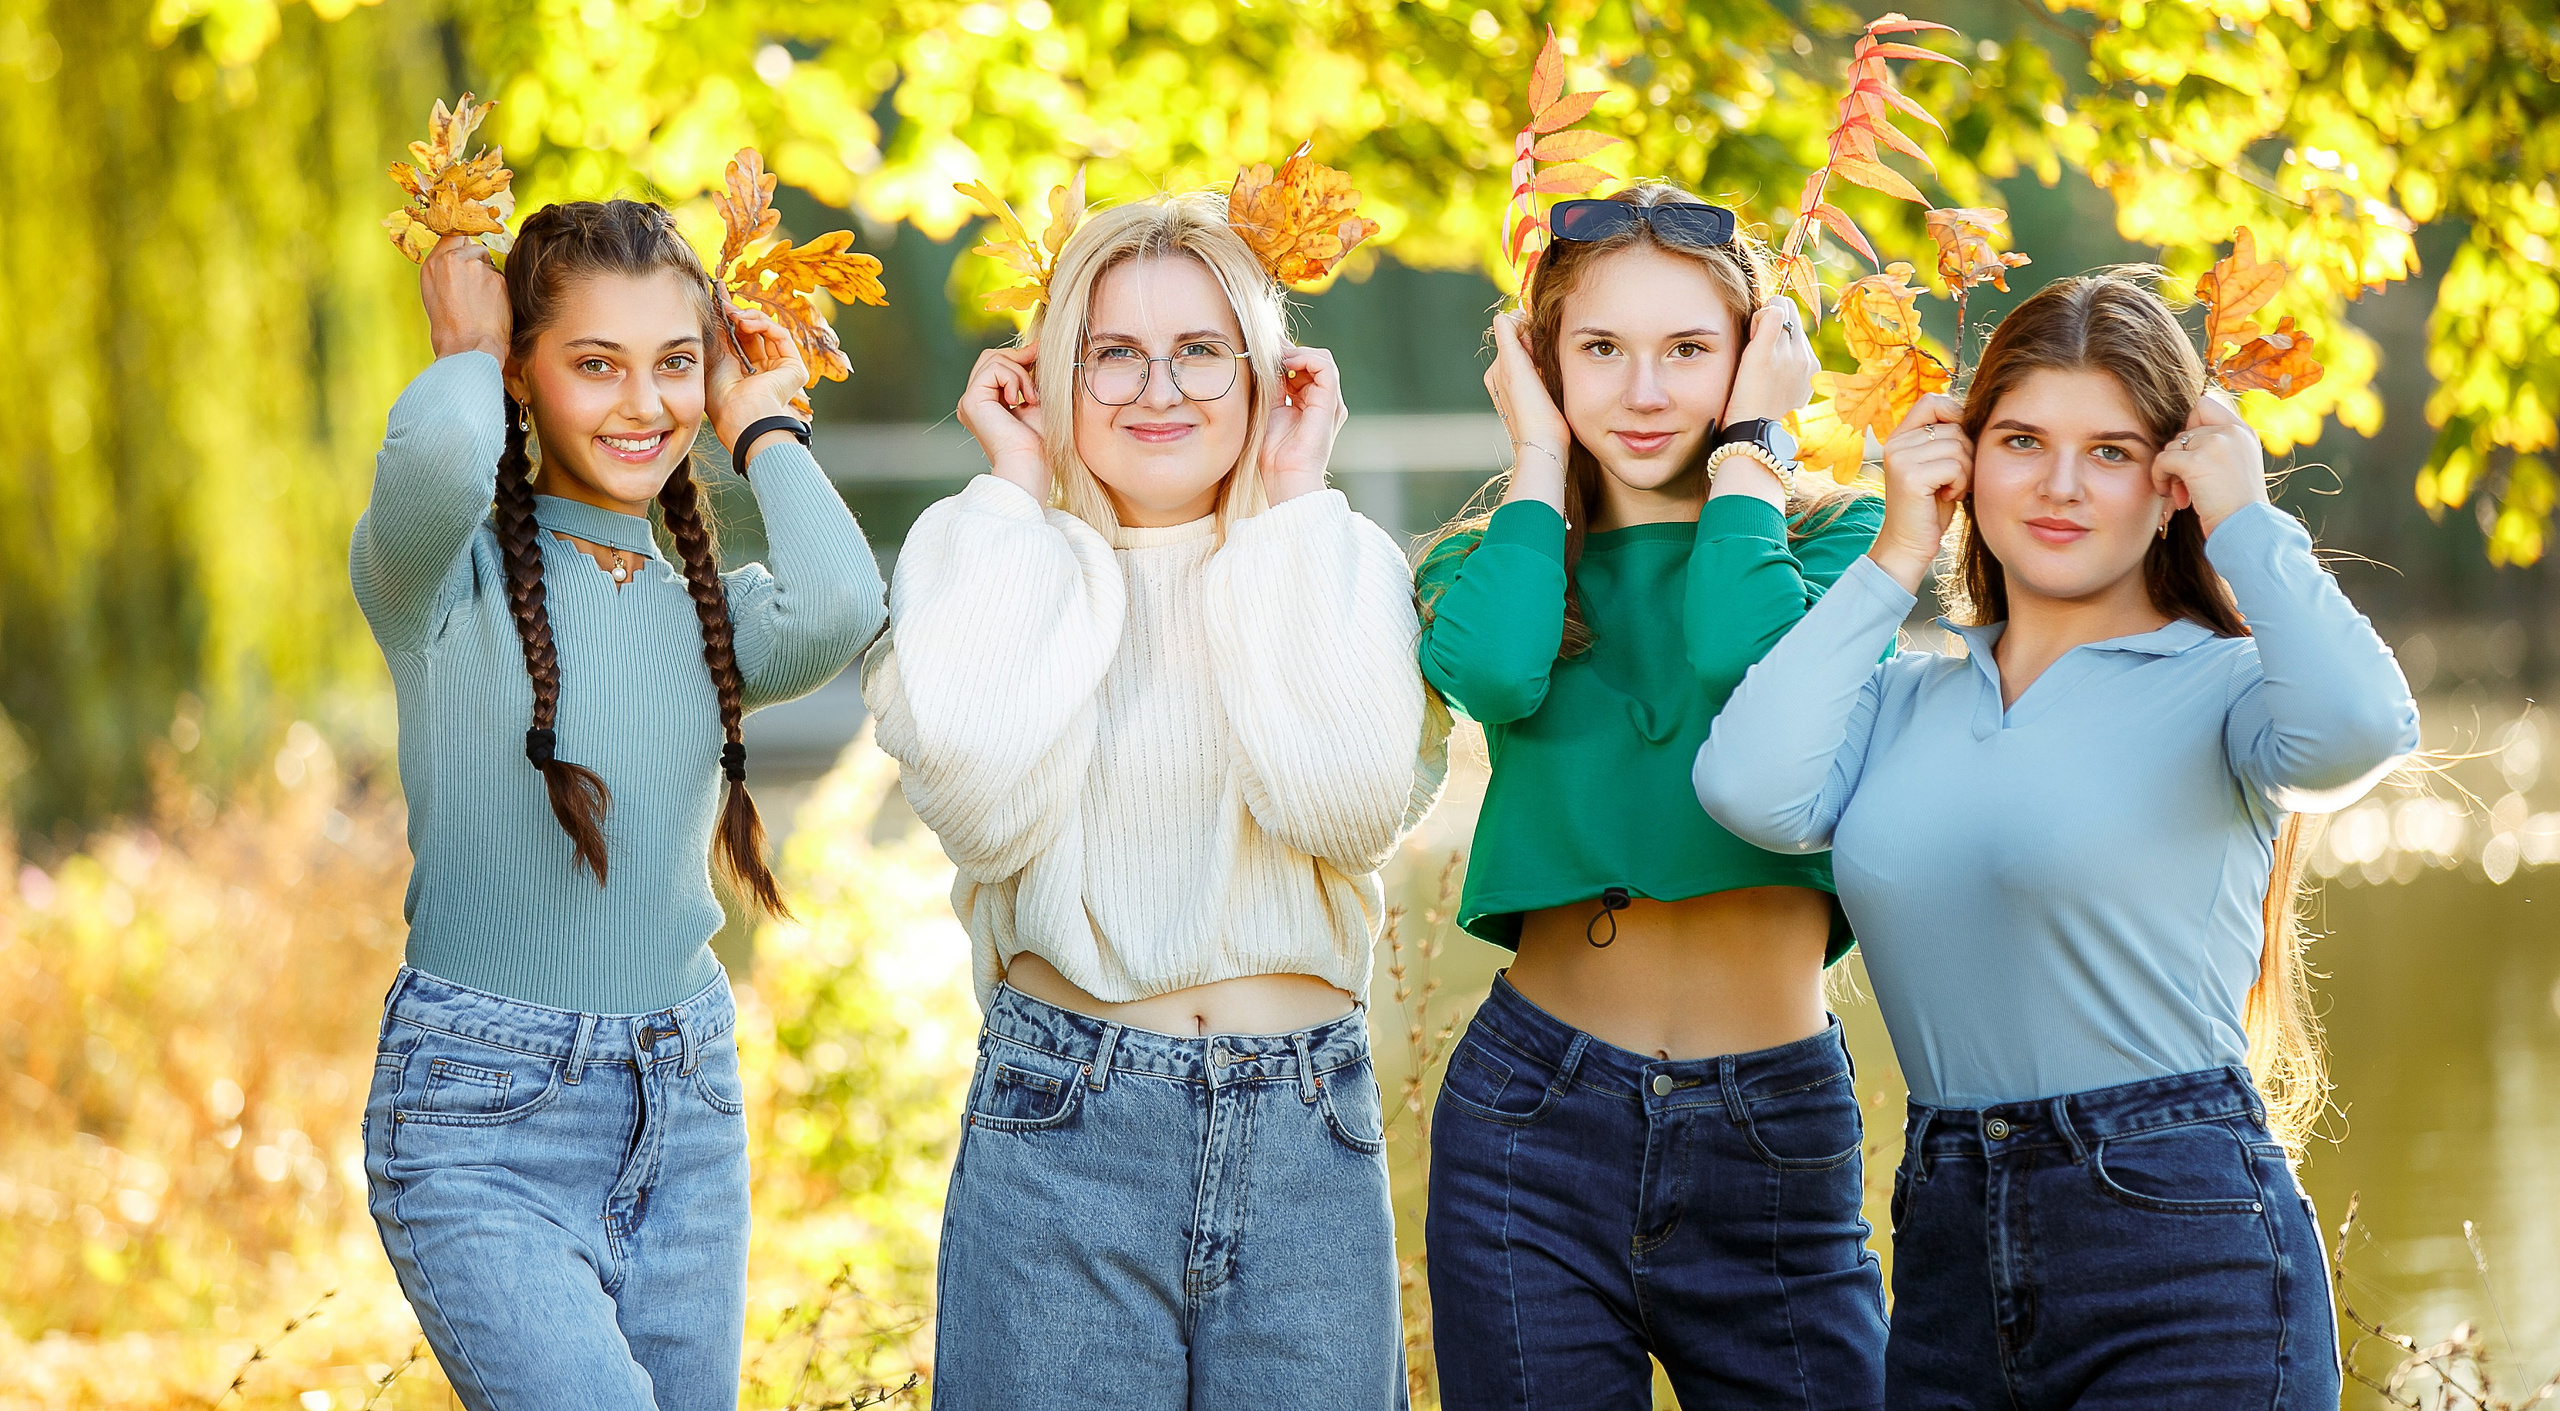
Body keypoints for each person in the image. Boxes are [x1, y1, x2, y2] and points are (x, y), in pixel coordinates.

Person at [1695, 274, 2419, 1409]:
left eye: (2112, 452)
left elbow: (2363, 729)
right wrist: (1896, 551)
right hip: (1948, 1246)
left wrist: (2245, 519)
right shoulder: (1899, 701)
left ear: (2170, 484)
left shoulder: (2226, 688)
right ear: (1965, 460)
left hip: (2182, 1245)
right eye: (2022, 440)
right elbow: (1746, 788)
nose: (2061, 486)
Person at [863, 188, 1447, 1411]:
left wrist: (1290, 496)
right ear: (1051, 378)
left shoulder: (1331, 556)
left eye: (1199, 351)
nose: (1159, 391)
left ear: (1264, 372)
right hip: (1063, 1125)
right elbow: (978, 803)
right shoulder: (988, 552)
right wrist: (1016, 484)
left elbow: (1348, 809)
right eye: (1113, 354)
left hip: (1302, 1131)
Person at [352, 201, 885, 1411]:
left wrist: (758, 418)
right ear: (523, 372)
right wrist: (465, 350)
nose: (643, 404)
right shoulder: (436, 583)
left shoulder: (709, 614)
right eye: (596, 364)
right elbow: (439, 459)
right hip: (481, 1121)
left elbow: (844, 603)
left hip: (683, 1107)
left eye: (674, 363)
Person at [1416, 181, 1889, 1410]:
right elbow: (1496, 673)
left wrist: (1752, 454)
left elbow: (1750, 661)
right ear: (1539, 363)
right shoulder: (1494, 561)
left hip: (1771, 1126)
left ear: (1756, 354)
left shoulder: (1842, 545)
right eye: (1598, 350)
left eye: (1687, 349)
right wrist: (1535, 461)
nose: (1642, 391)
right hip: (1530, 1121)